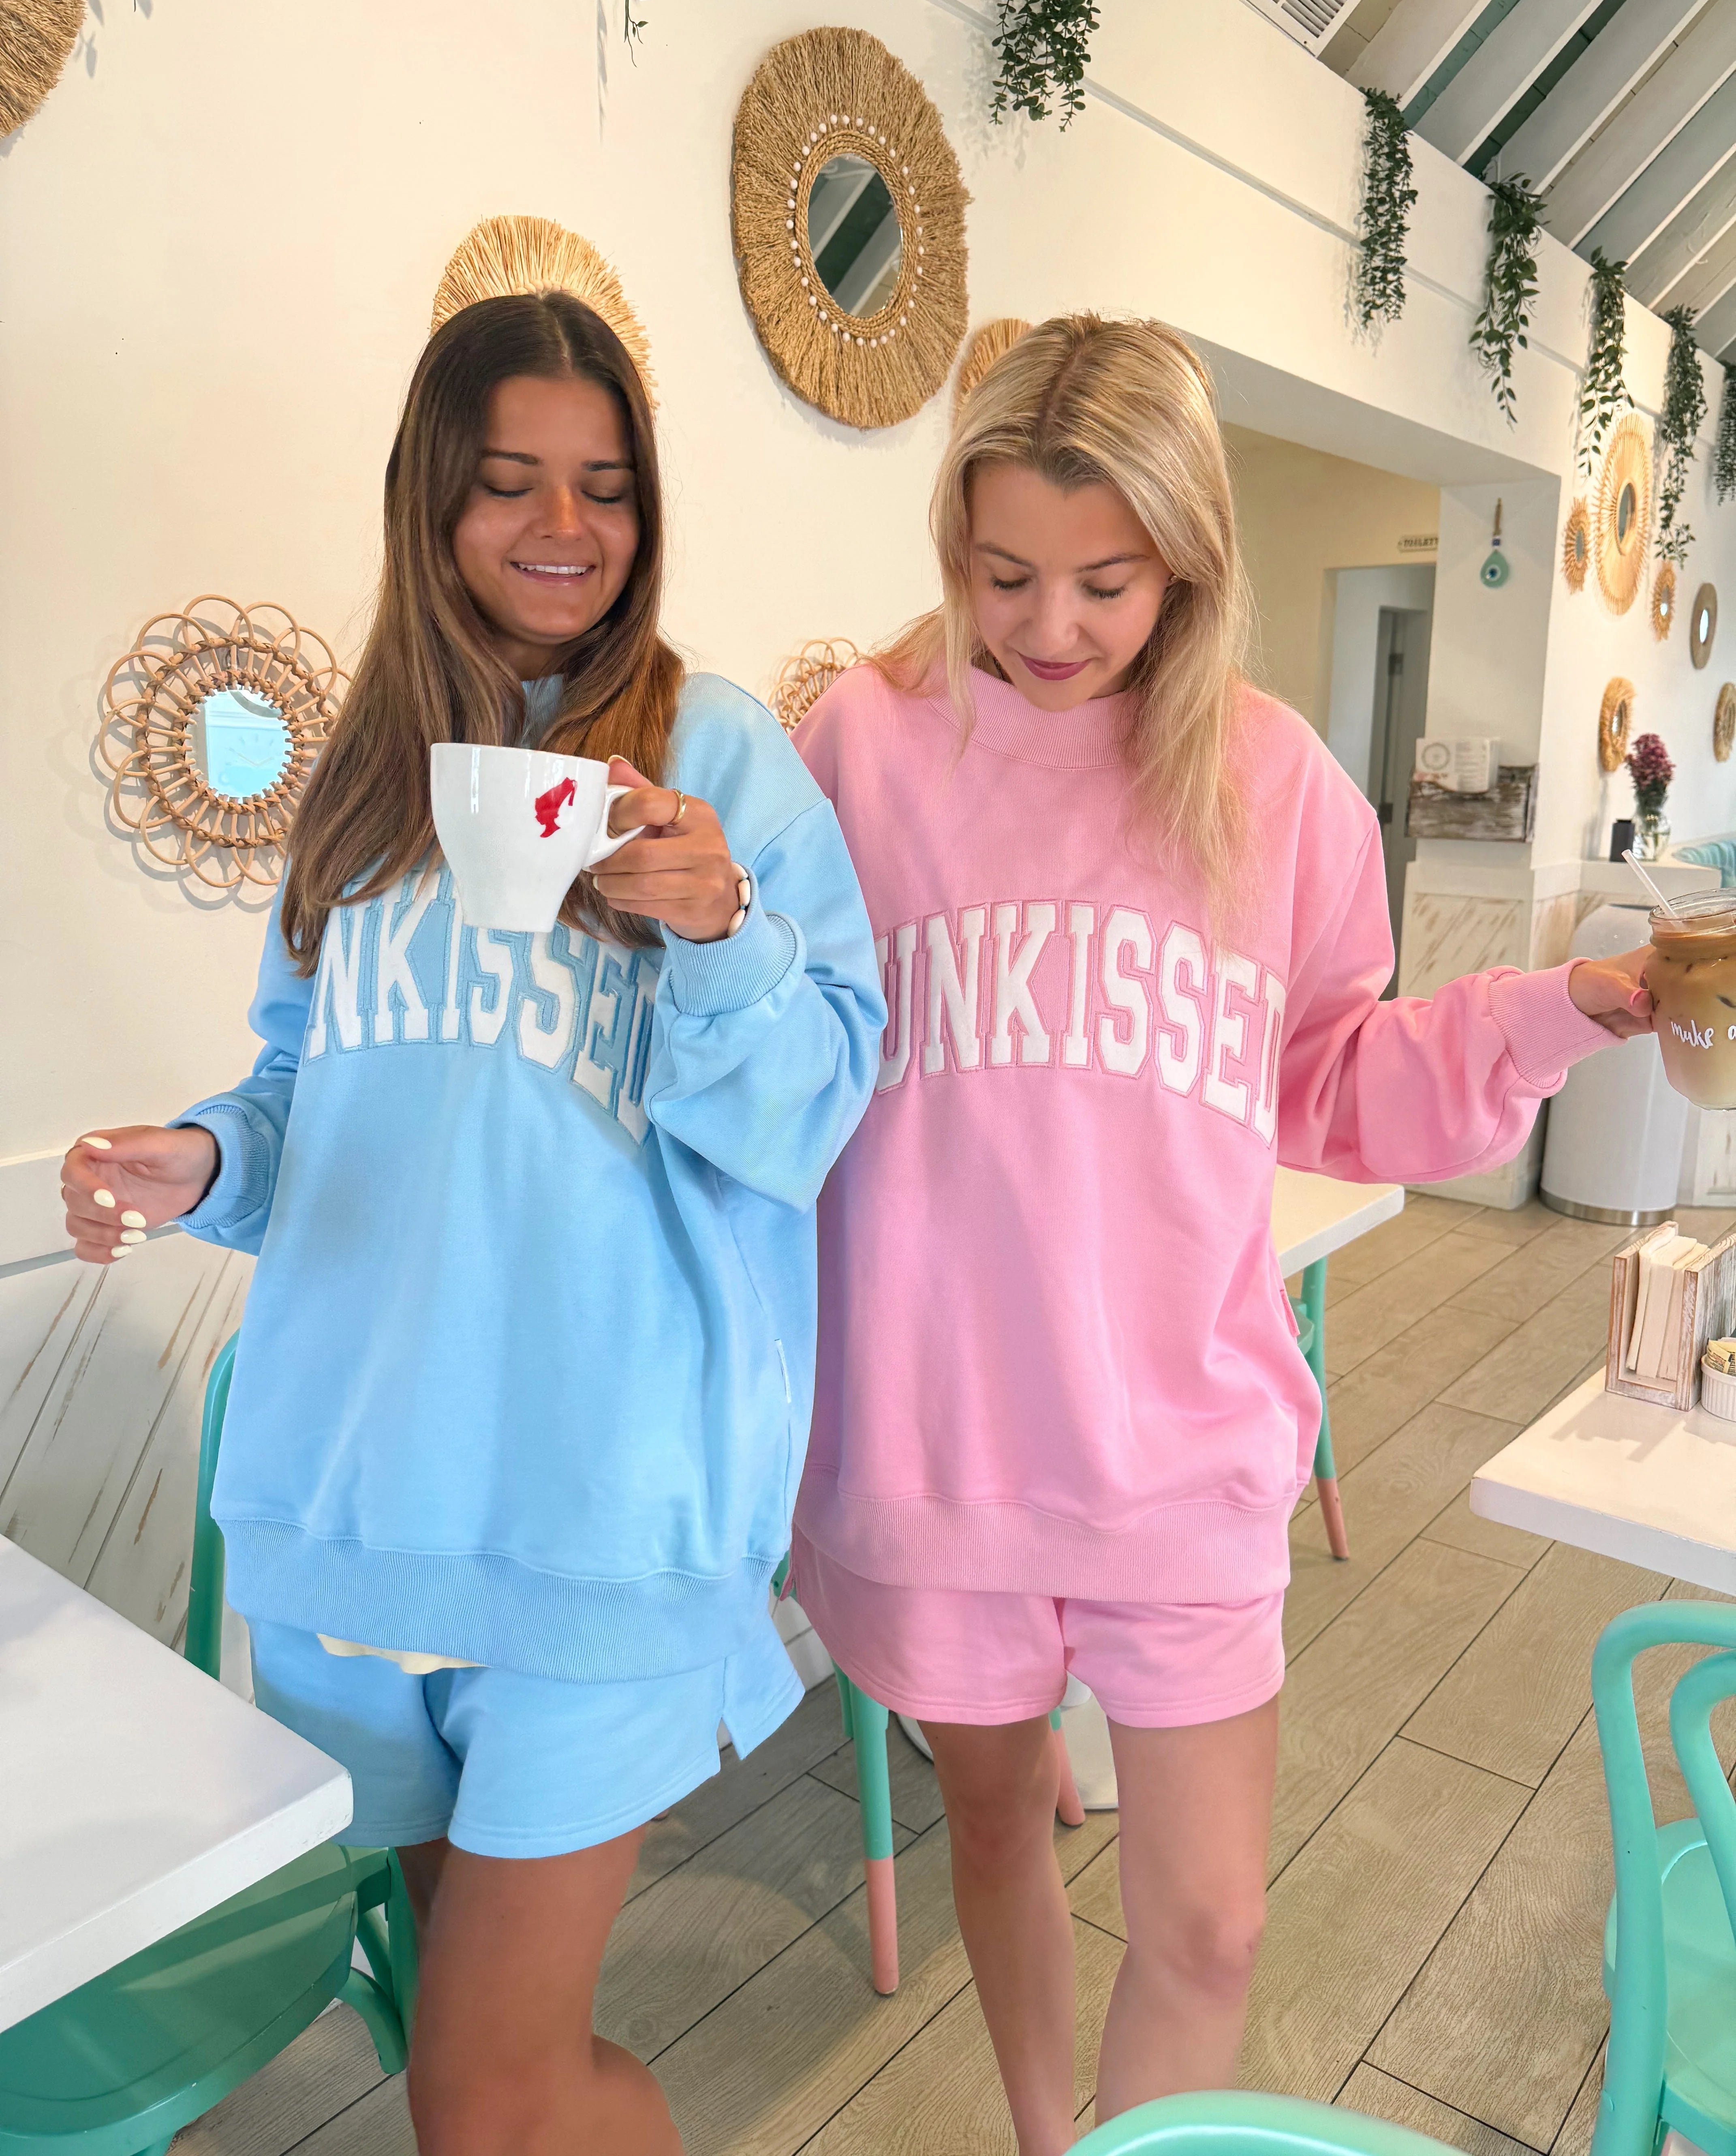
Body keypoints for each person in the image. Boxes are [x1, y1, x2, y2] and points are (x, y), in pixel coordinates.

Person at [787, 315, 1654, 2156]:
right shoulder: (862, 745)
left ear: (1188, 559)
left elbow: (1333, 1079)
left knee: (1213, 1924)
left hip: (1181, 1445)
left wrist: (1560, 1006)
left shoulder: (1274, 785)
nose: (1049, 627)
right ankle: (1053, 2139)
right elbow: (778, 1060)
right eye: (1003, 574)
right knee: (997, 1822)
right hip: (935, 1445)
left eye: (1105, 583)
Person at [61, 291, 884, 2156]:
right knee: (476, 2052)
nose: (563, 526)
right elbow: (308, 1095)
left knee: (483, 2093)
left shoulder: (719, 755)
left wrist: (721, 926)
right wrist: (203, 1159)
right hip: (355, 1517)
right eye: (509, 480)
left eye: (605, 484)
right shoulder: (361, 790)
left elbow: (819, 1102)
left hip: (601, 1514)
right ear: (430, 498)